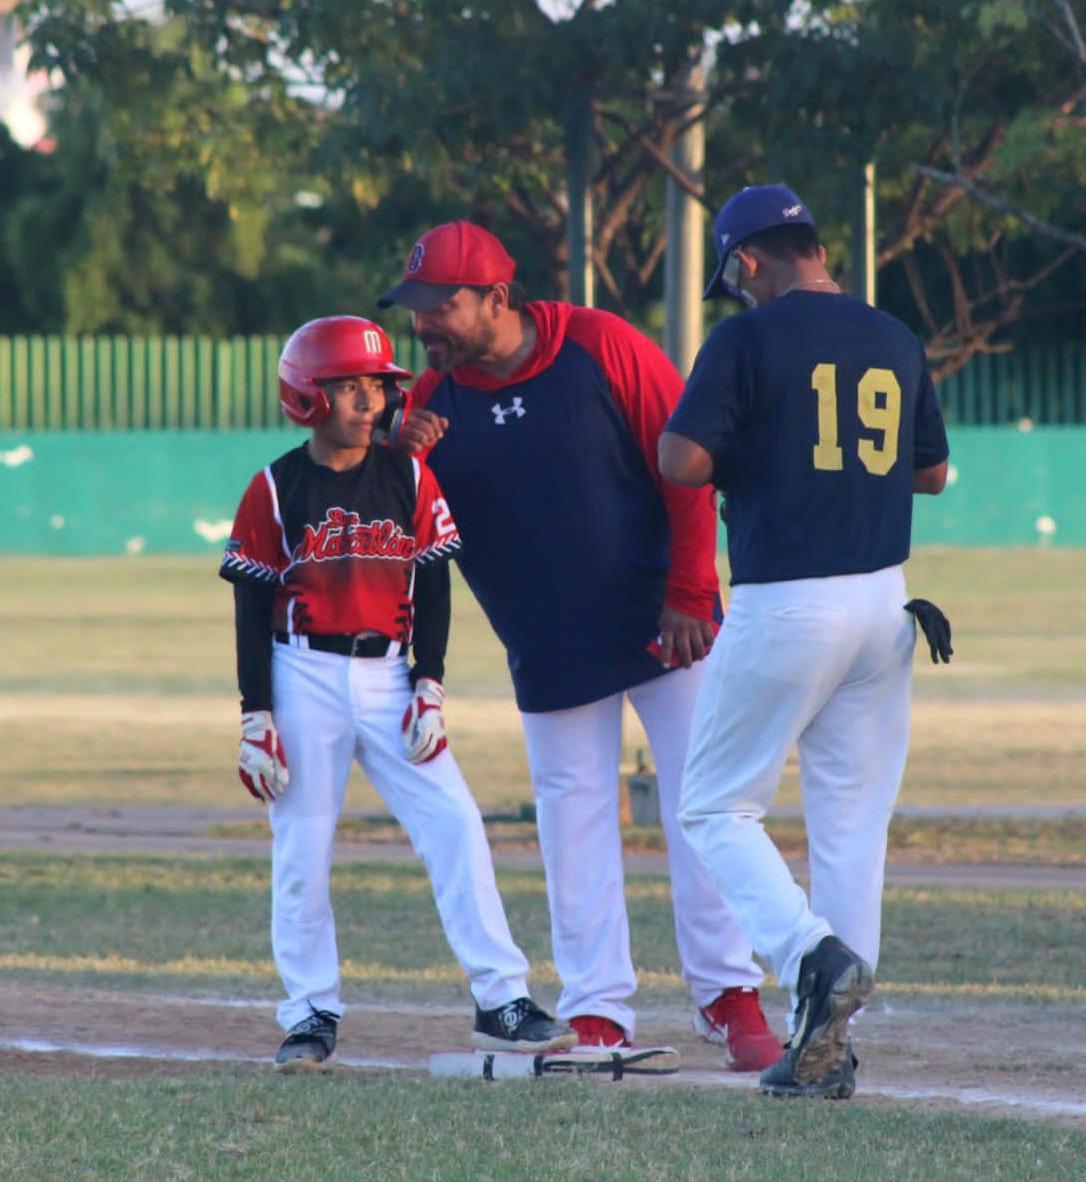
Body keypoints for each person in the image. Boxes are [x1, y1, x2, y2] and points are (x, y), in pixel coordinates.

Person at [376, 221, 782, 1070]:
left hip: (664, 623)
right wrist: (401, 465)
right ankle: (597, 1009)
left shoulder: (599, 344)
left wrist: (689, 593)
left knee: (700, 806)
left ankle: (727, 992)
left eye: (440, 305)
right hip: (546, 641)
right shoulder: (423, 404)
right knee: (574, 822)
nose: (425, 325)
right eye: (415, 309)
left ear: (496, 297)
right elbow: (399, 533)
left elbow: (685, 467)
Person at [219, 315, 574, 1071]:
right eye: (348, 387)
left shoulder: (408, 475)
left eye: (376, 387)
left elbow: (434, 578)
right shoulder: (275, 486)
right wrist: (257, 714)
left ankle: (502, 998)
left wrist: (430, 682)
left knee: (453, 821)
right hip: (302, 672)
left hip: (387, 678)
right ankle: (311, 1014)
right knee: (303, 847)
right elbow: (250, 606)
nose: (368, 402)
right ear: (306, 396)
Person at [658, 184, 951, 1099]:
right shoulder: (894, 336)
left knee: (712, 805)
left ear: (748, 262)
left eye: (734, 277)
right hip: (883, 601)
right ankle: (832, 1049)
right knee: (852, 830)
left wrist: (758, 448)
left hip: (790, 600)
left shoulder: (747, 336)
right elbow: (933, 473)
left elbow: (679, 460)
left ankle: (808, 956)